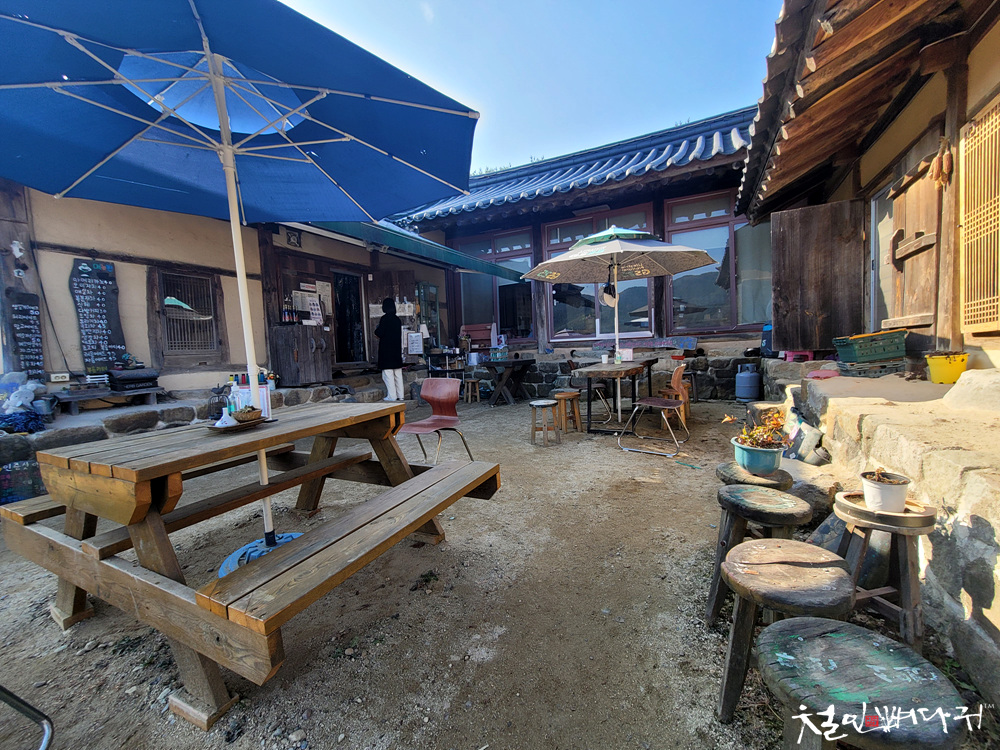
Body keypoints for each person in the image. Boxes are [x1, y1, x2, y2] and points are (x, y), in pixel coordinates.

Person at [375, 297, 404, 401]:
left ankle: (392, 396)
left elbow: (379, 332)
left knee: (388, 374)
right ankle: (400, 395)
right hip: (396, 350)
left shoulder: (385, 319)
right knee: (398, 374)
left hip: (386, 350)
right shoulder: (397, 320)